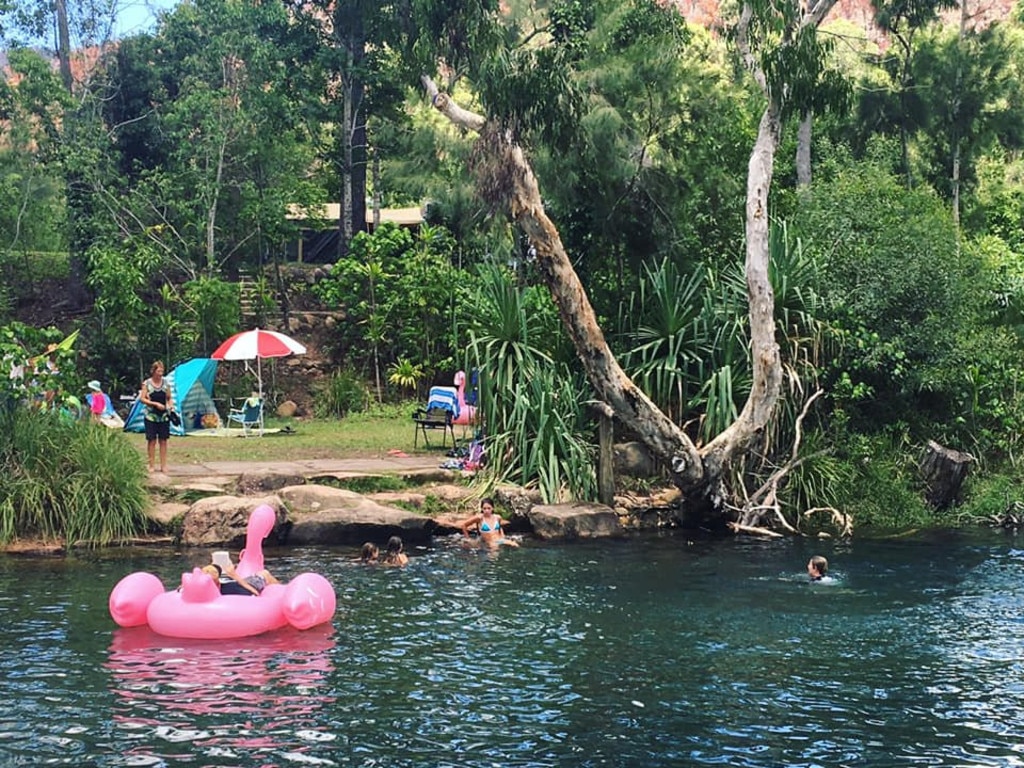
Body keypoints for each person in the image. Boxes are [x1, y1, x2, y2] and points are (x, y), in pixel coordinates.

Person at [140, 360, 174, 473]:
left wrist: (170, 406)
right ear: (153, 371)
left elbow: (169, 397)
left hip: (163, 416)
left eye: (162, 371)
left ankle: (163, 465)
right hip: (150, 416)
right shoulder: (147, 383)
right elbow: (142, 398)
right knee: (152, 440)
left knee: (163, 440)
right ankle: (151, 465)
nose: (161, 373)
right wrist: (154, 404)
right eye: (159, 370)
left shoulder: (166, 383)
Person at [201, 558, 280, 596]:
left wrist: (233, 575)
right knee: (265, 574)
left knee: (263, 573)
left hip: (242, 582)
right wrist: (234, 575)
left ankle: (281, 591)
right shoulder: (221, 590)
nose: (204, 572)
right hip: (250, 584)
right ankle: (281, 592)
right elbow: (255, 593)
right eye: (205, 571)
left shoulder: (220, 587)